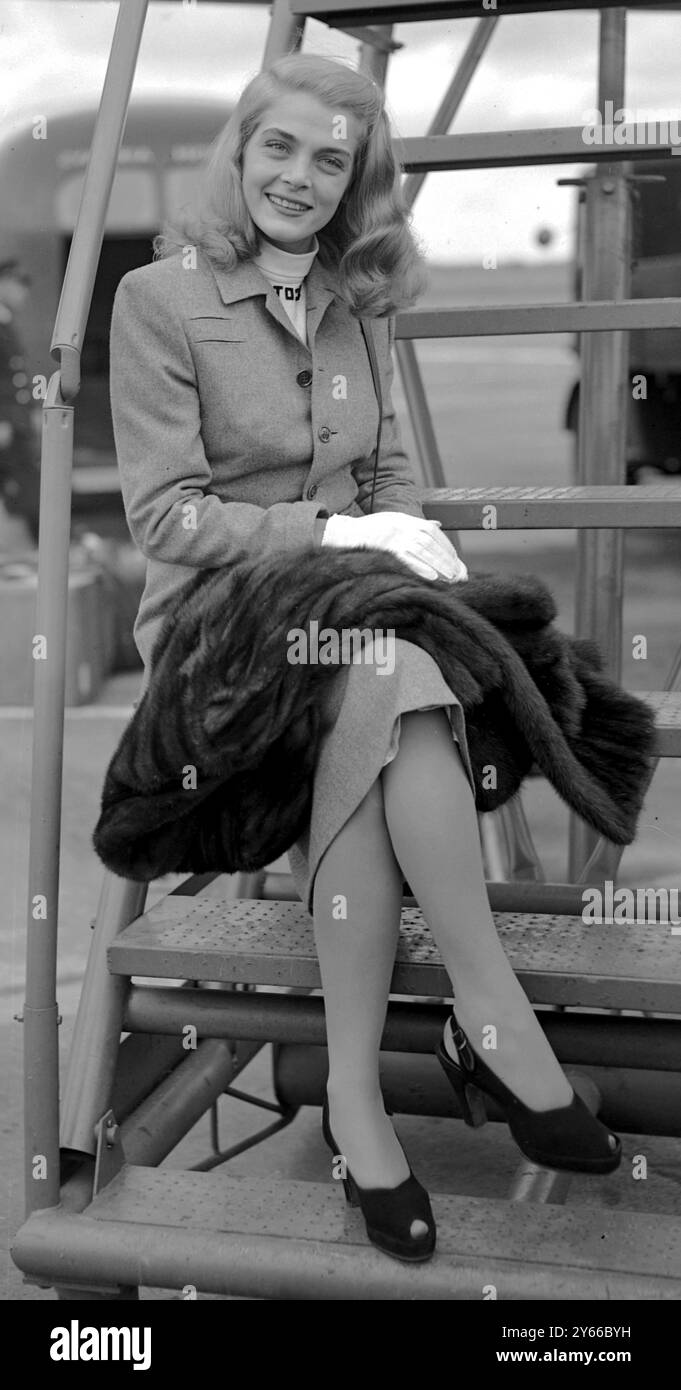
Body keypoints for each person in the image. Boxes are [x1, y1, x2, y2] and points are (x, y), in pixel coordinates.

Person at [108, 53, 621, 1265]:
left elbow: (384, 472)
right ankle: (489, 1017)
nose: (300, 176)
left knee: (396, 690)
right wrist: (336, 533)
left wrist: (408, 533)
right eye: (279, 148)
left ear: (356, 183)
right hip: (217, 634)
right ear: (239, 152)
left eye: (331, 160)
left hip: (347, 622)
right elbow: (166, 517)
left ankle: (354, 1091)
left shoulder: (355, 303)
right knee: (395, 685)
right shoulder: (158, 299)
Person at [0, 259, 40, 542]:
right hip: (7, 422)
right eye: (17, 285)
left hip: (16, 420)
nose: (22, 293)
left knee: (24, 484)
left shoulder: (7, 321)